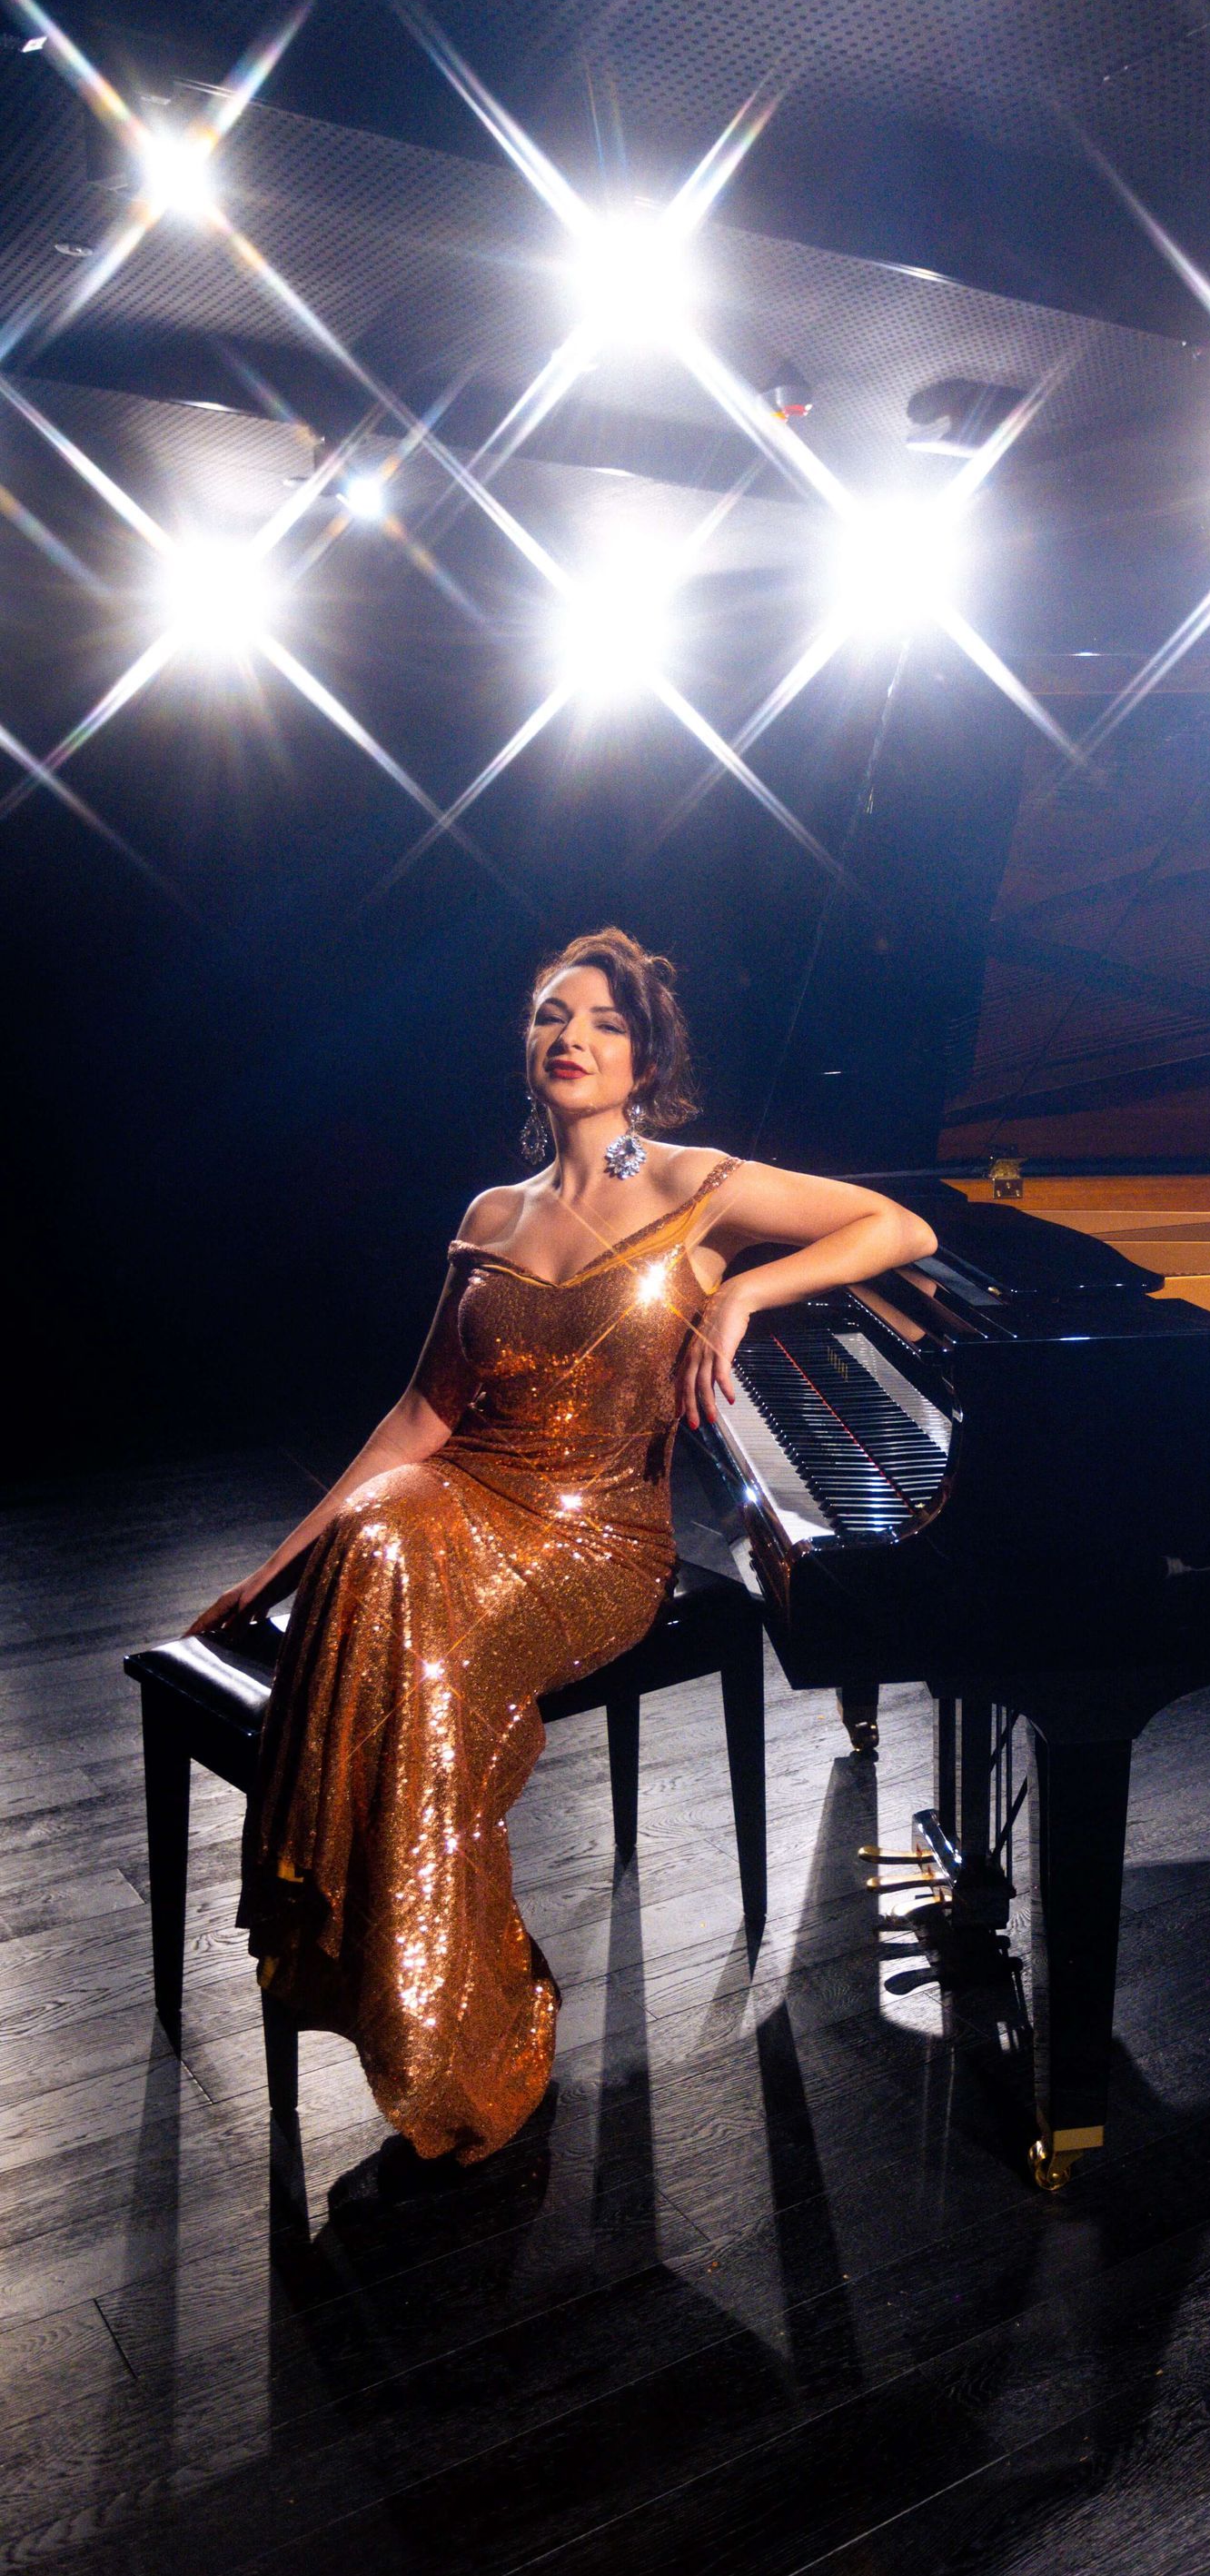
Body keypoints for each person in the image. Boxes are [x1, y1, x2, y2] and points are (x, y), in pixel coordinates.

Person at [191, 928, 935, 2167]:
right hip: (462, 1506)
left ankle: (454, 2004)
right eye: (549, 1017)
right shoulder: (494, 1212)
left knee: (397, 1584)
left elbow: (895, 1227)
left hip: (599, 1541)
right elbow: (422, 1417)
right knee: (381, 1539)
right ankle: (437, 1976)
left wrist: (742, 1292)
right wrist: (282, 1561)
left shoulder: (697, 1183)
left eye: (599, 1021)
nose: (569, 1038)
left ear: (644, 1056)